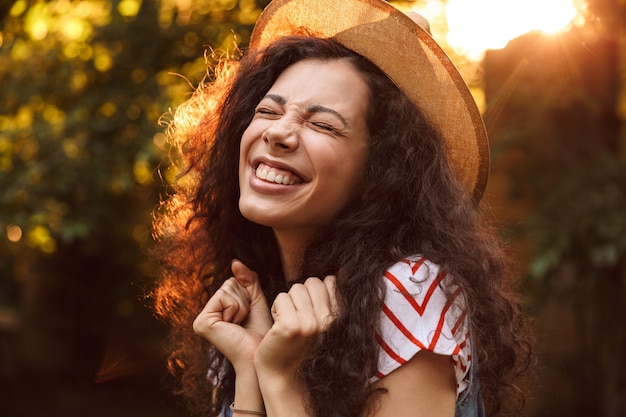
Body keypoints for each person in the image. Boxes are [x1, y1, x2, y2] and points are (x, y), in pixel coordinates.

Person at [151, 0, 534, 416]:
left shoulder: (410, 291)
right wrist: (249, 367)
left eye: (322, 124)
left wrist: (279, 379)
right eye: (268, 111)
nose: (279, 133)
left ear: (378, 174)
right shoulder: (254, 299)